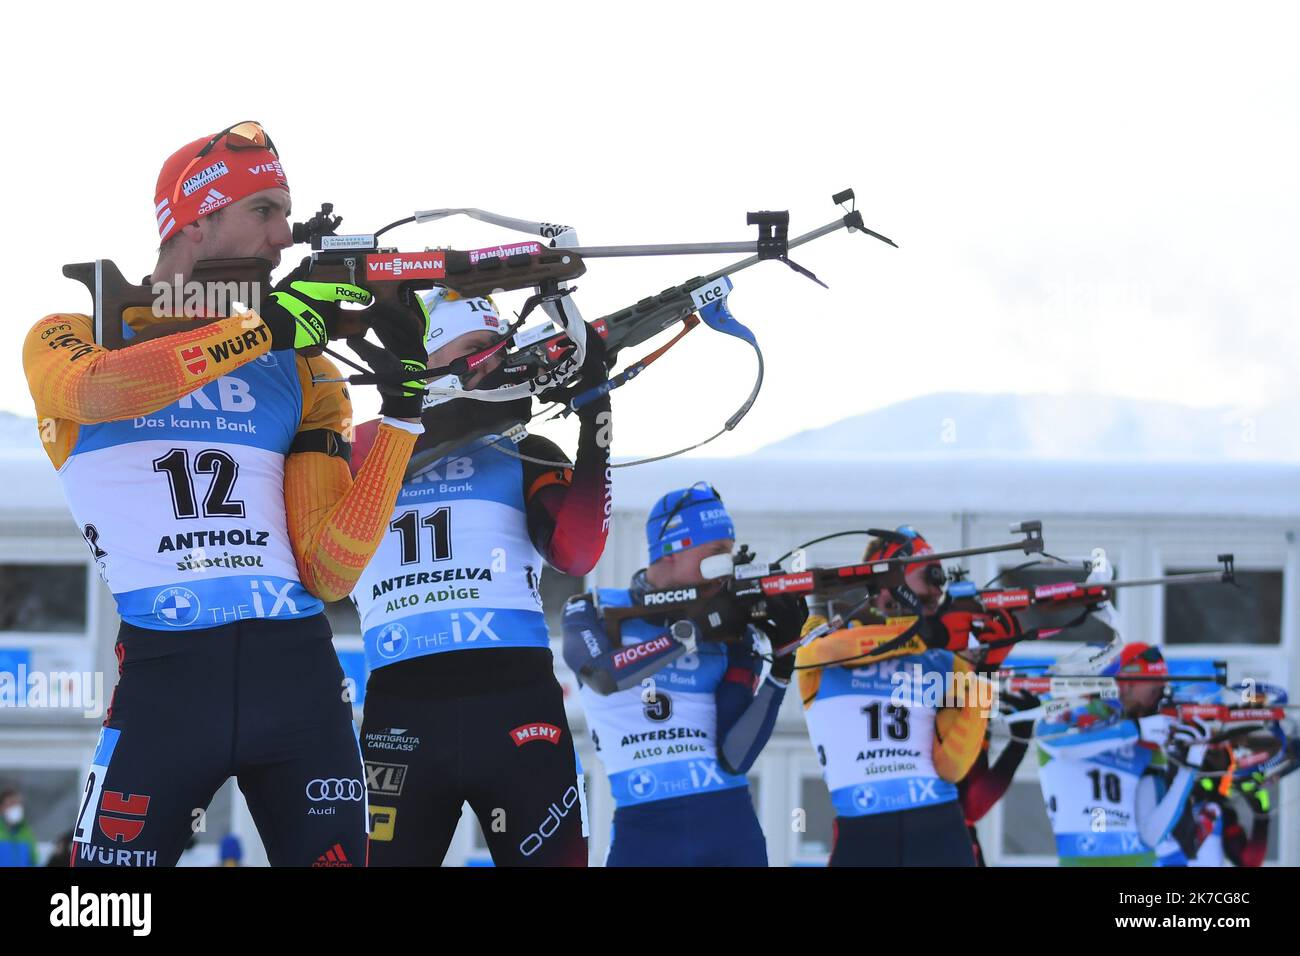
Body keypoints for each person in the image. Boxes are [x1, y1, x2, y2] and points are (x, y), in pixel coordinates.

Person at [23, 122, 430, 867]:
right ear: (197, 217)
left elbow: (330, 572)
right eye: (265, 211)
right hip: (167, 679)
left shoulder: (305, 372)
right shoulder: (73, 333)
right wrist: (262, 327)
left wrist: (403, 417)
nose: (283, 239)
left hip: (300, 678)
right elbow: (105, 390)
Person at [349, 288, 612, 866]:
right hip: (403, 712)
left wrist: (596, 412)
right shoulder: (363, 448)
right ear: (432, 356)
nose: (495, 364)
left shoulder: (525, 447)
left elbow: (578, 552)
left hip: (517, 707)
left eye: (499, 350)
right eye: (476, 349)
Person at [561, 482, 807, 866]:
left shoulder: (730, 630)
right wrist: (691, 633)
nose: (724, 569)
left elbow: (735, 758)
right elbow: (603, 675)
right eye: (715, 554)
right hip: (644, 831)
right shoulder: (592, 608)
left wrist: (781, 661)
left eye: (729, 554)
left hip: (730, 827)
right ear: (672, 549)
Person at [796, 527, 990, 866]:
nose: (936, 588)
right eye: (923, 575)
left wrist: (985, 674)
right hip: (863, 832)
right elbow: (818, 652)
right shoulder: (825, 642)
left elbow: (954, 768)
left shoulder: (943, 660)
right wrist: (915, 633)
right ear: (885, 582)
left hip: (939, 826)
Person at [1034, 642, 1219, 866]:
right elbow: (1060, 746)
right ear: (1125, 684)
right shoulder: (1070, 714)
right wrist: (1136, 730)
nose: (1158, 698)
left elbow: (1152, 835)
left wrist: (1189, 767)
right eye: (1153, 689)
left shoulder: (1146, 745)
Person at [0, 786, 38, 867]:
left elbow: (35, 862)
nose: (15, 808)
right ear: (2, 808)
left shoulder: (27, 834)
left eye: (18, 804)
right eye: (11, 804)